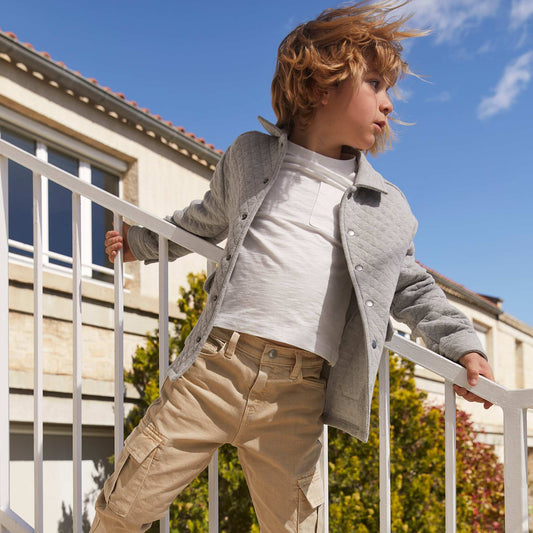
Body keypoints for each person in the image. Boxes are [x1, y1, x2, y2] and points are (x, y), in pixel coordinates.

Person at [91, 2, 494, 531]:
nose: (389, 104)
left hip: (298, 399)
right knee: (123, 506)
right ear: (320, 84)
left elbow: (412, 286)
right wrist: (138, 242)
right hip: (214, 373)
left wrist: (463, 343)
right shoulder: (251, 157)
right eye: (375, 84)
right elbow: (200, 222)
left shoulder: (387, 205)